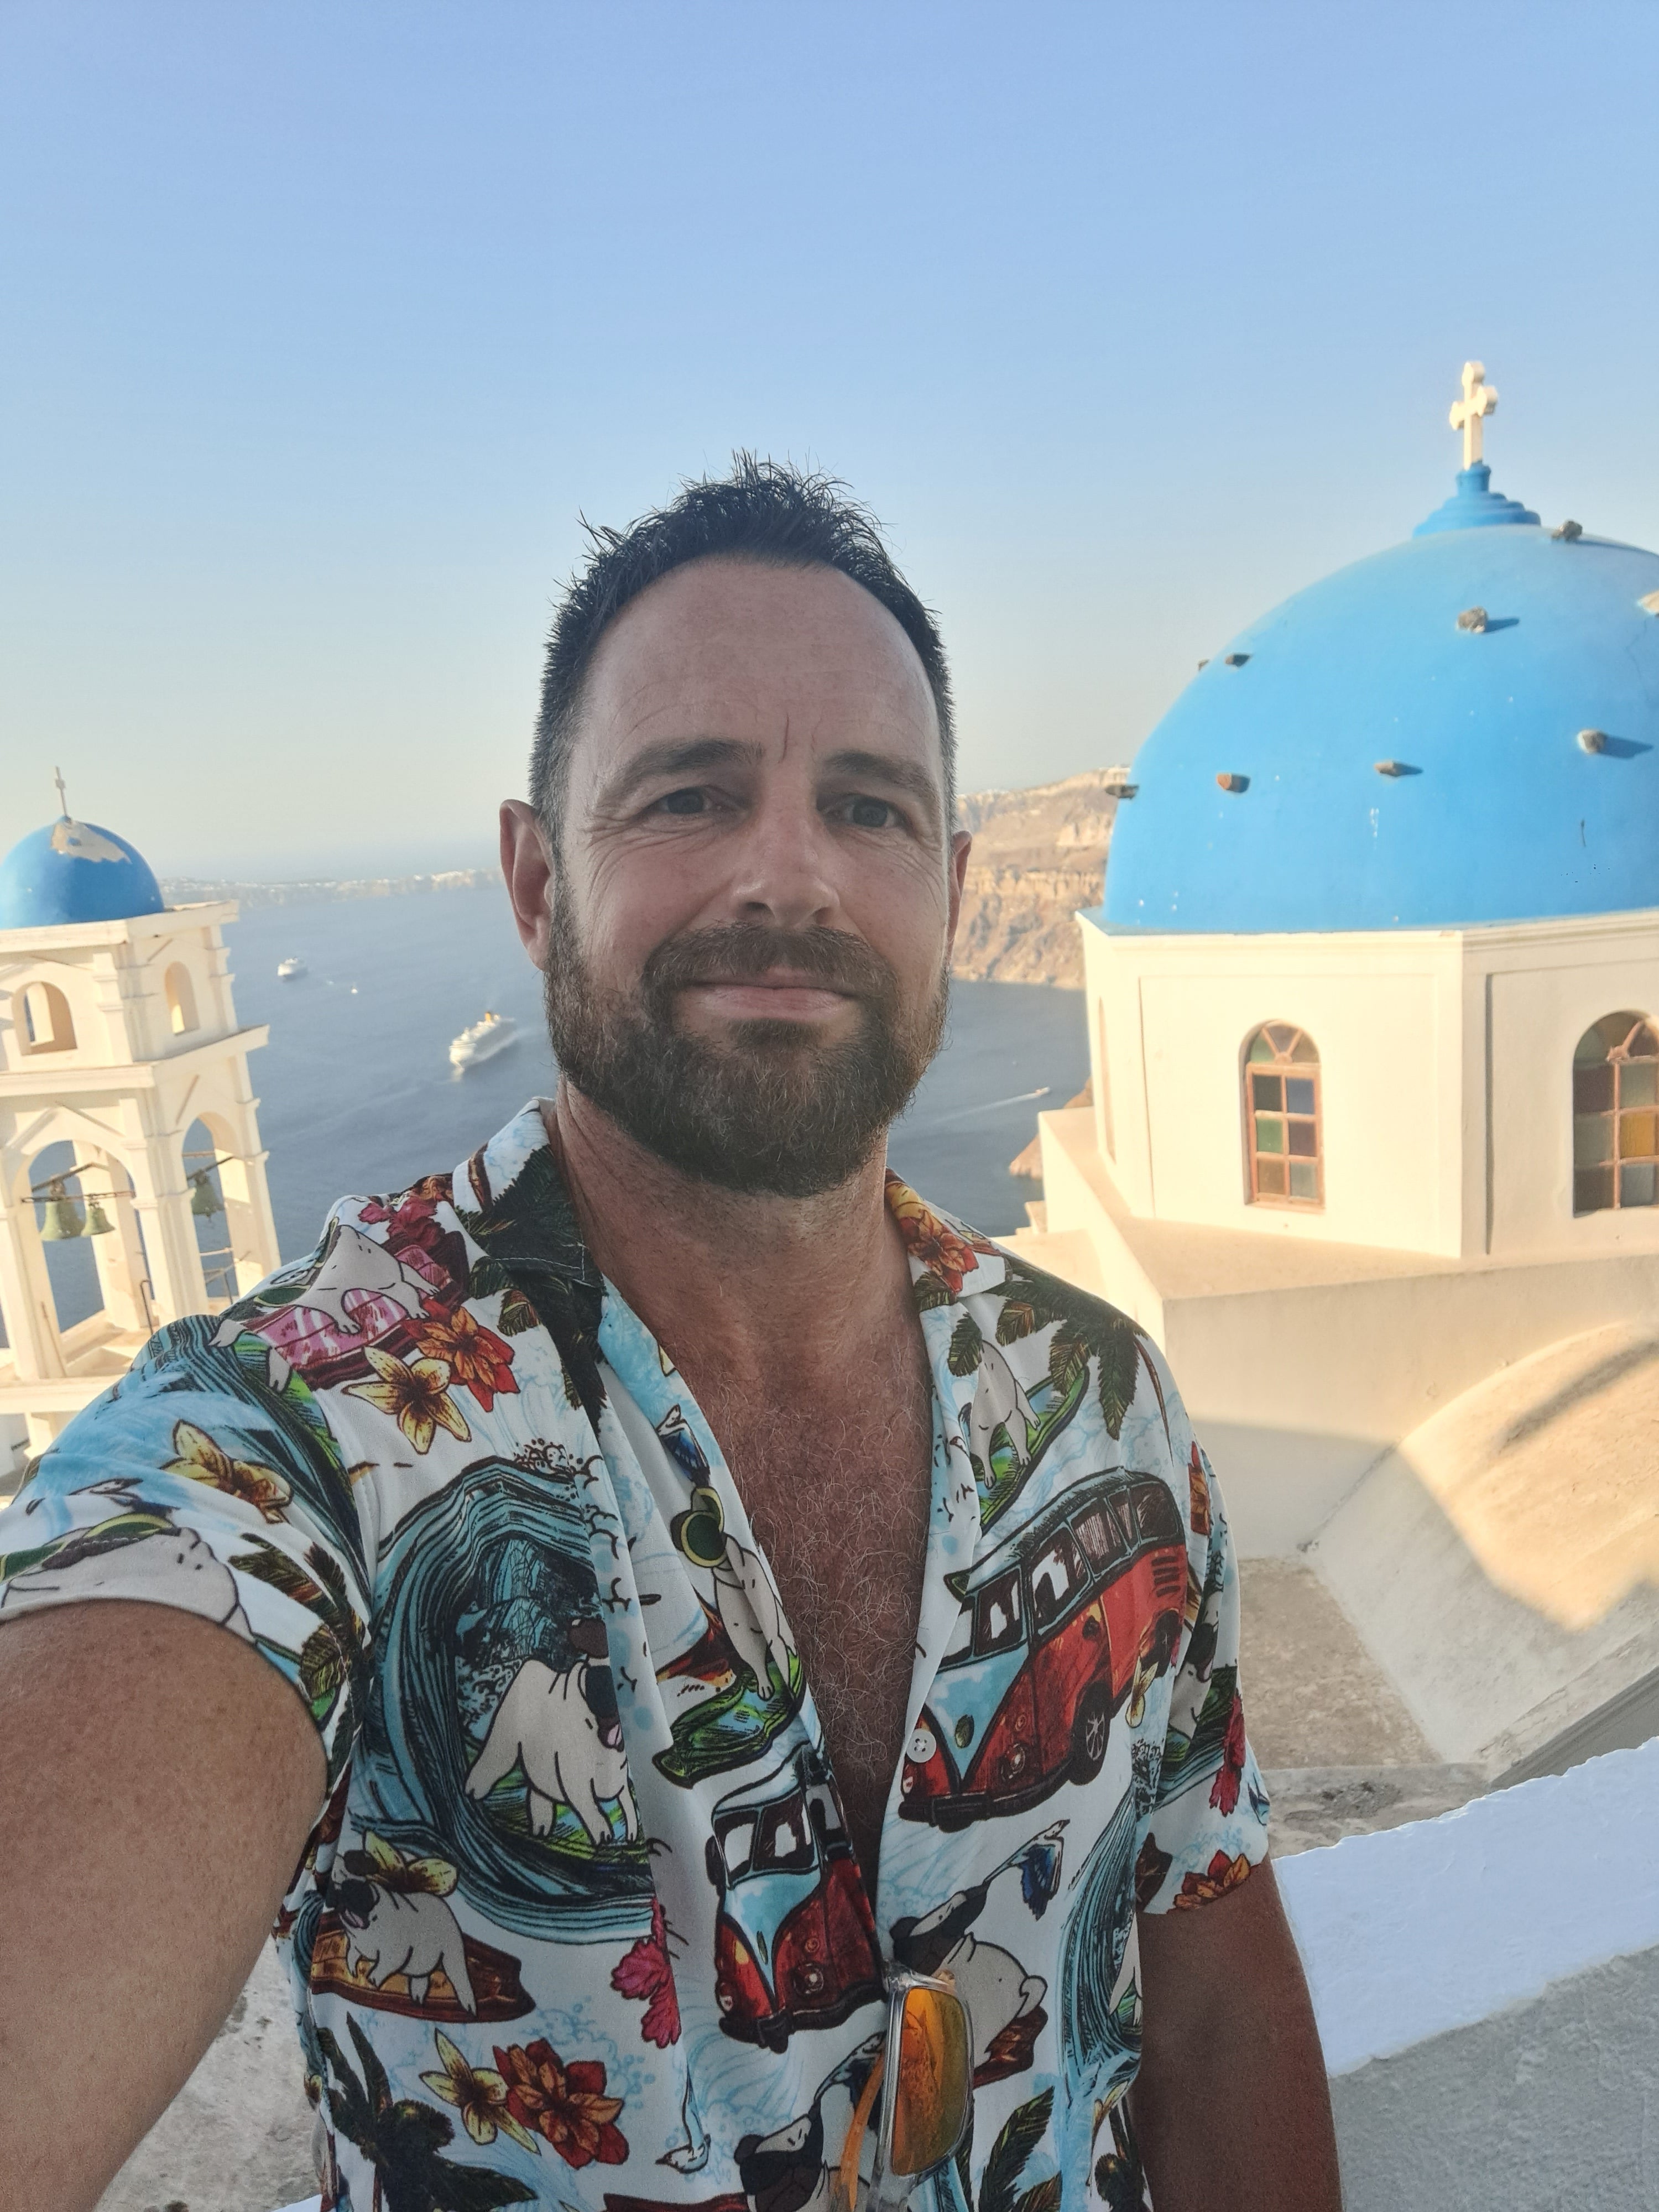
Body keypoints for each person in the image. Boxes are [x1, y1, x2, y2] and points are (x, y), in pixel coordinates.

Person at [0, 458, 1341, 2212]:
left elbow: (1215, 1990)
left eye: (868, 809)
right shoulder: (305, 1441)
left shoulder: (1101, 1407)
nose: (788, 875)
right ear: (536, 880)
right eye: (690, 796)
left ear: (948, 885)